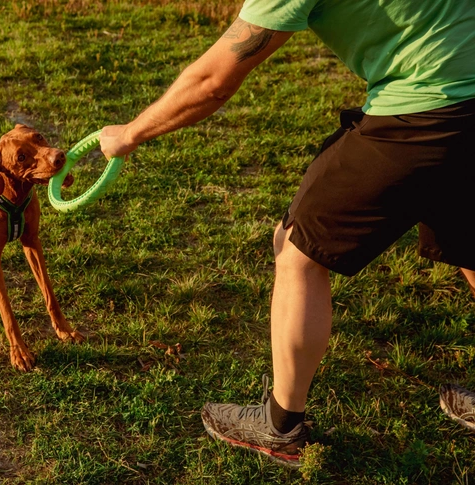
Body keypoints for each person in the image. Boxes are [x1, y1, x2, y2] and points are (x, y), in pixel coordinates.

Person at [100, 0, 475, 468]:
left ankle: (280, 427)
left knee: (297, 252)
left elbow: (213, 81)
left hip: (421, 115)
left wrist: (130, 133)